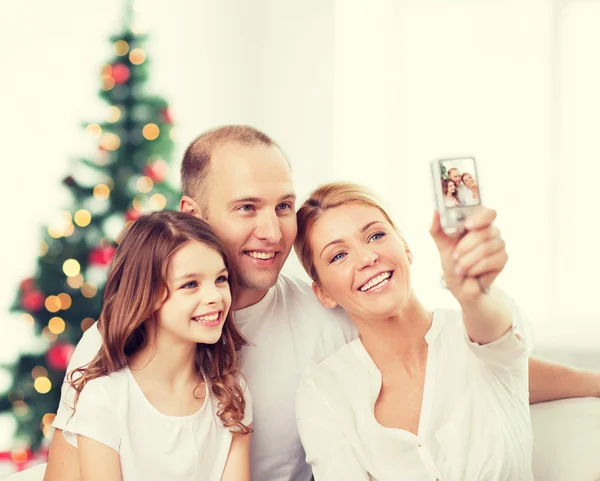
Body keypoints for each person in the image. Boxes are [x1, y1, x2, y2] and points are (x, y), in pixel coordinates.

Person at [46, 125, 600, 481]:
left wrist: (590, 380)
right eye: (246, 208)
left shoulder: (327, 316)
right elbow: (70, 466)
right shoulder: (120, 339)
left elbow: (466, 365)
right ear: (193, 211)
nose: (271, 230)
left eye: (284, 205)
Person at [294, 182, 533, 480]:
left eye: (376, 235)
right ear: (324, 294)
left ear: (405, 247)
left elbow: (499, 336)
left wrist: (472, 294)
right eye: (338, 256)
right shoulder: (324, 389)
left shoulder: (477, 335)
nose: (367, 258)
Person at [60, 211, 252, 481]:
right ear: (146, 295)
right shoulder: (106, 398)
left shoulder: (230, 393)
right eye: (190, 284)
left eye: (220, 279)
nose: (214, 297)